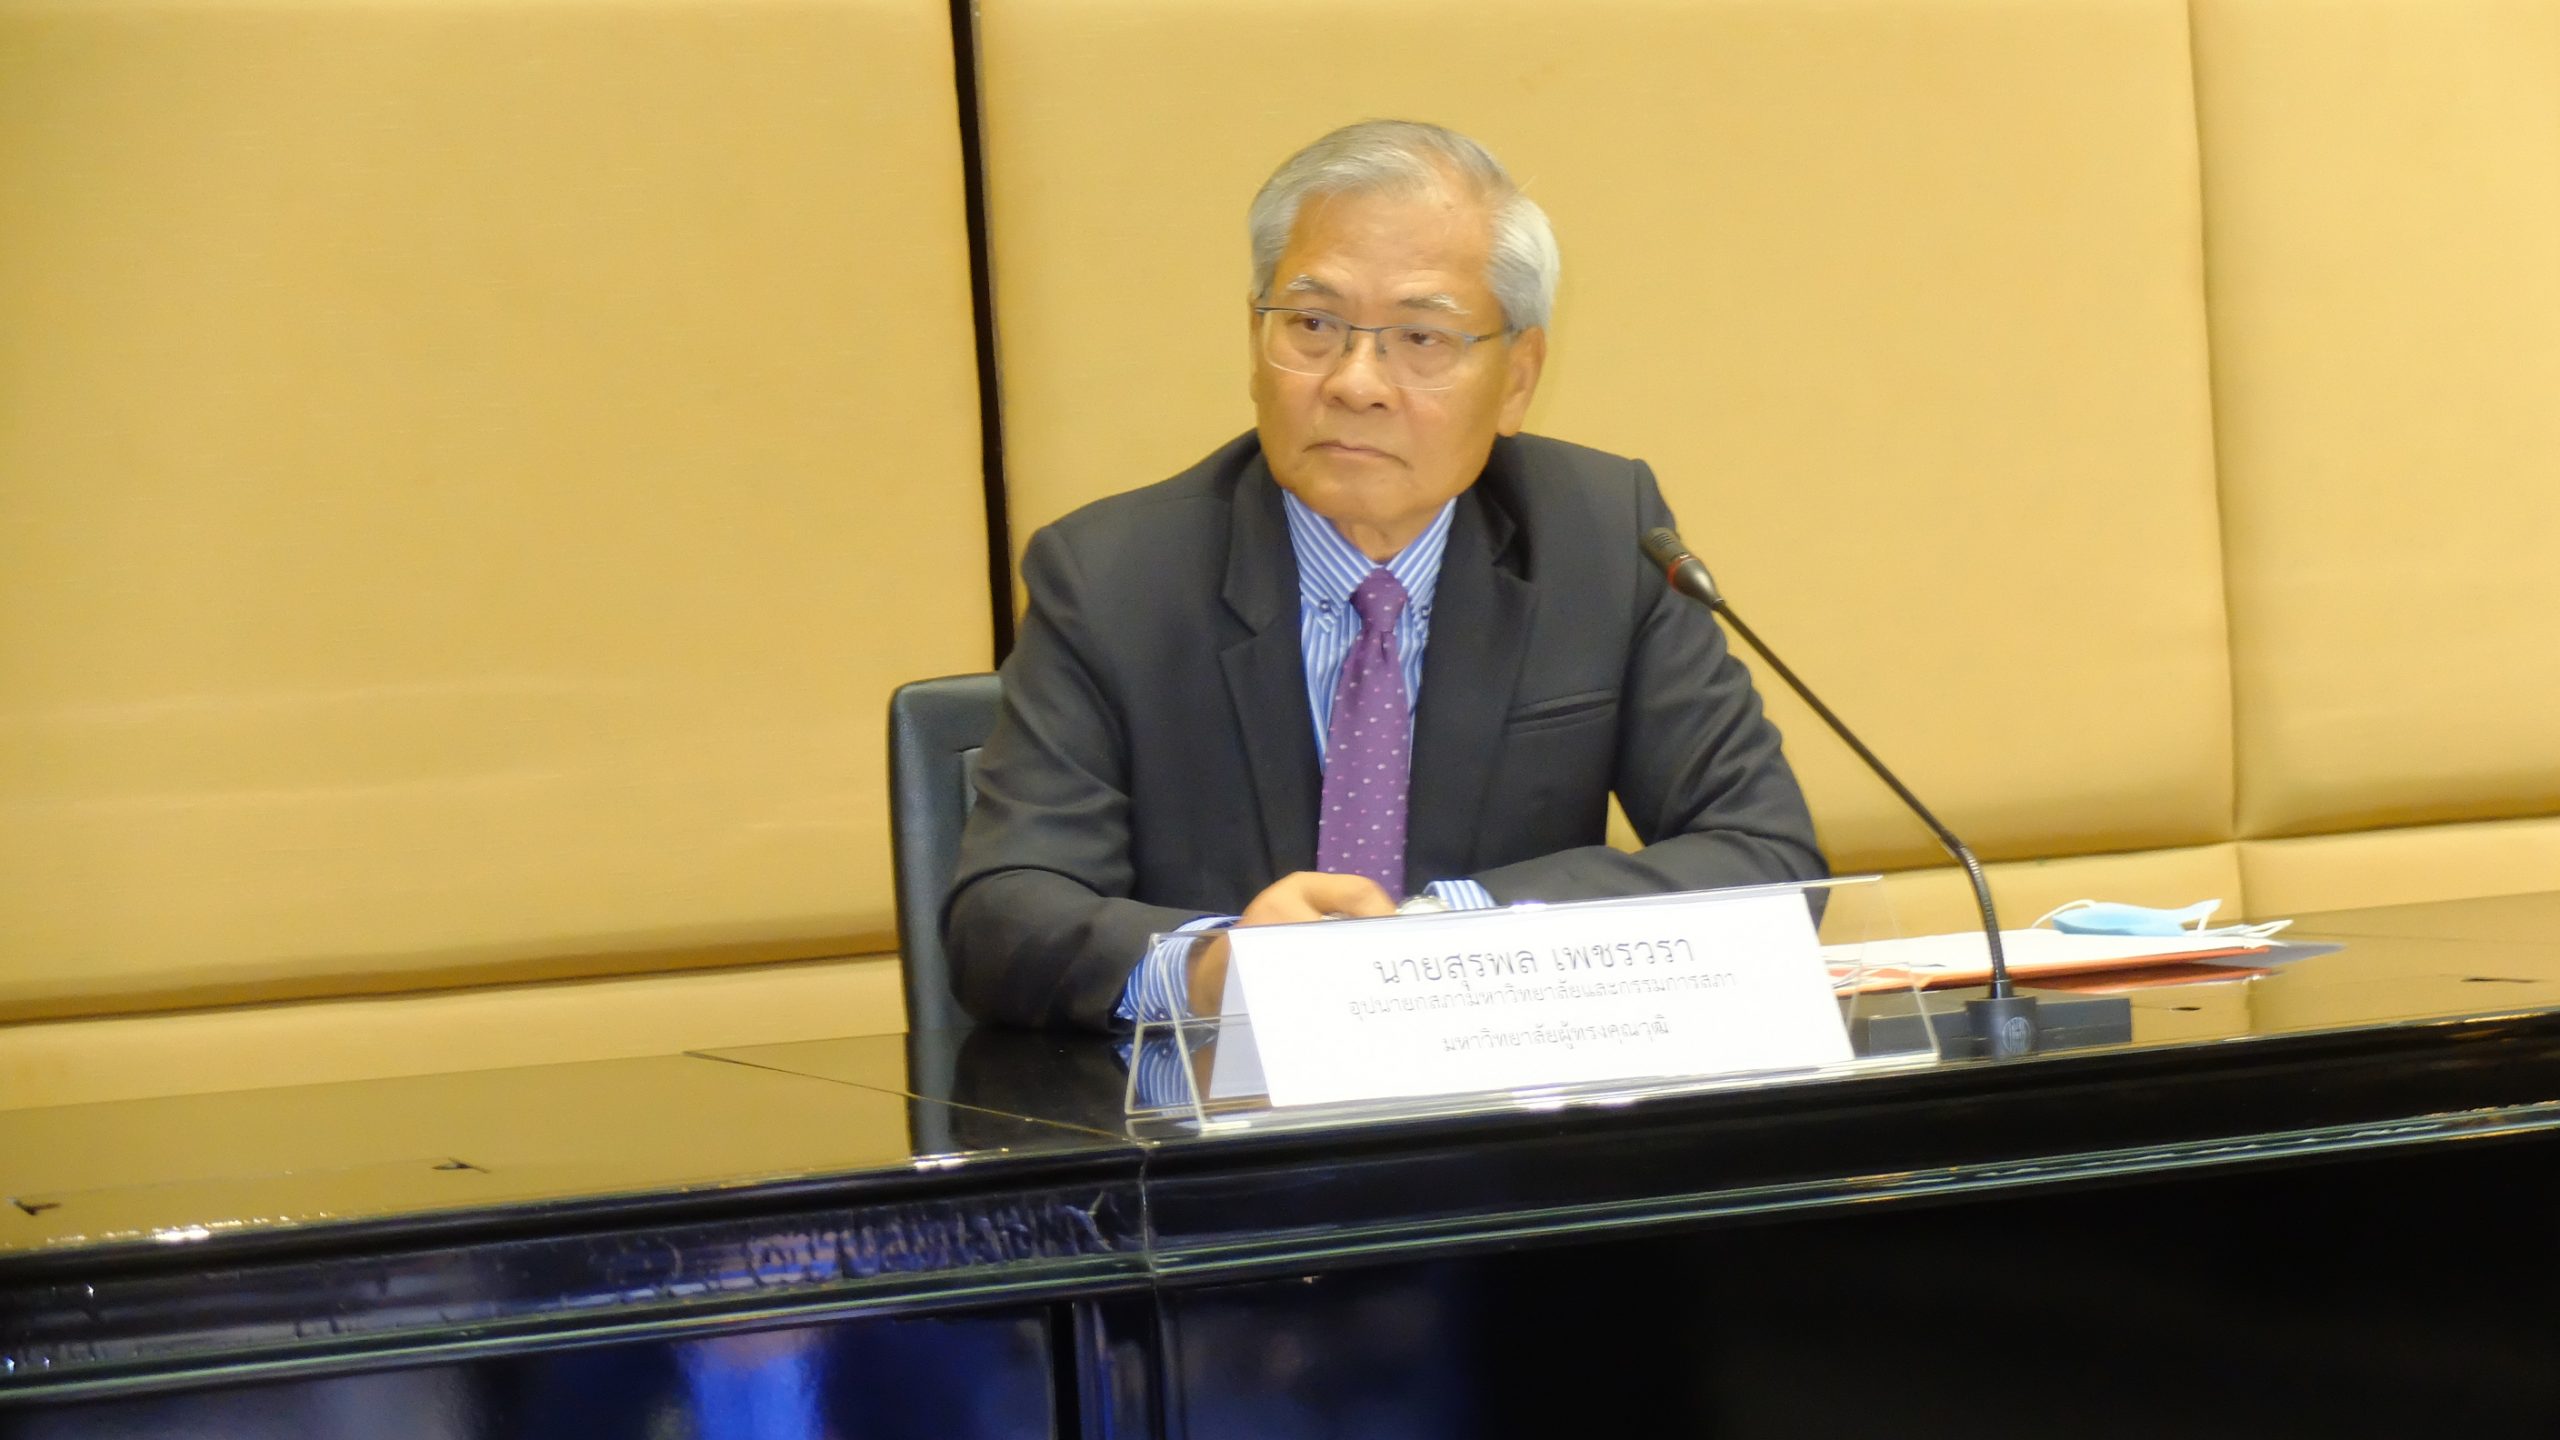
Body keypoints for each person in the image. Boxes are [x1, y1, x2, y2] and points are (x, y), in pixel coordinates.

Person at [945, 119, 1823, 1032]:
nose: (1355, 382)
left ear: (1518, 378)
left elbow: (1766, 857)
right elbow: (1004, 914)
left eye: (1421, 337)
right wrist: (1210, 969)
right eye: (1313, 325)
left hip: (1509, 1095)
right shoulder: (1112, 579)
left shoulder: (1602, 540)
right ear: (1255, 340)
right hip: (1221, 1104)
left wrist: (1444, 937)